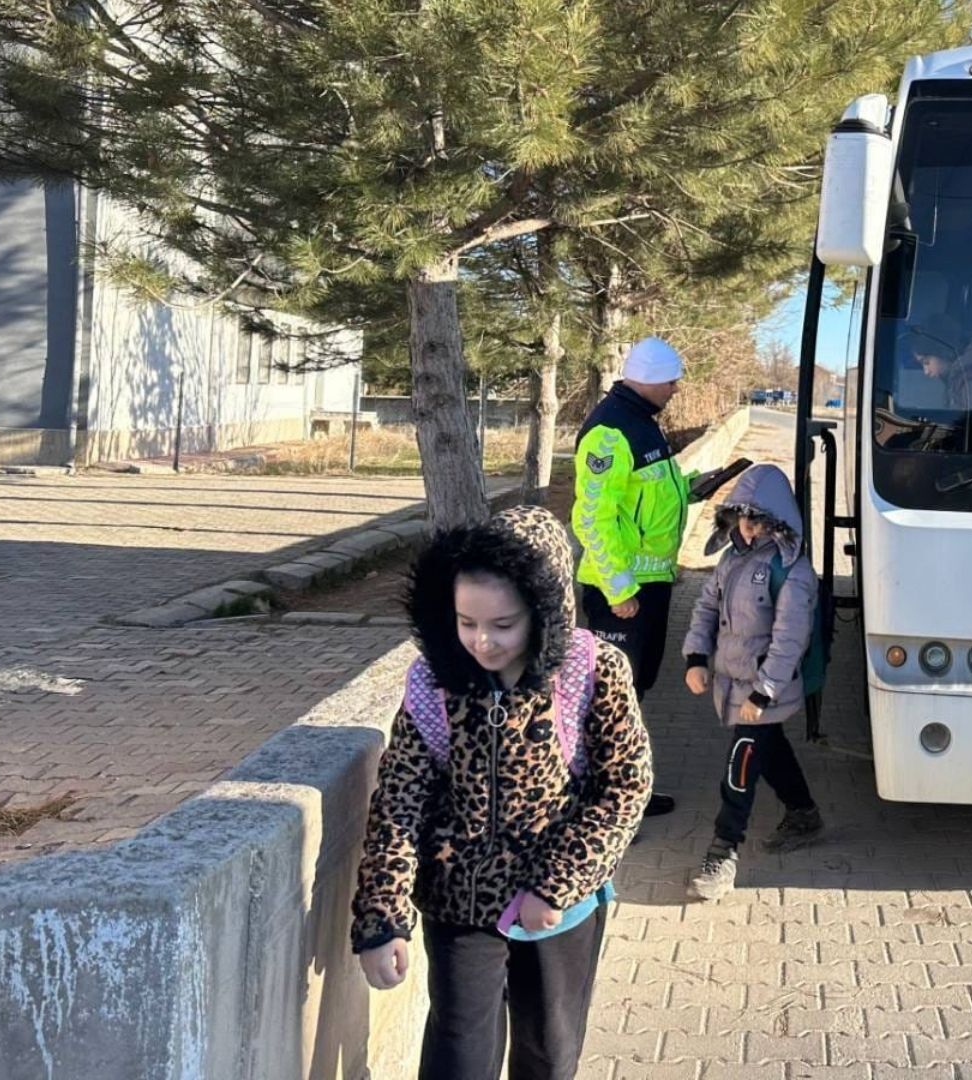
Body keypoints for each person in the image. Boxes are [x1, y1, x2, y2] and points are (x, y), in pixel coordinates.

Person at [352, 504, 653, 1080]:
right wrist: (382, 918)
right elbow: (398, 803)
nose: (483, 642)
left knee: (548, 1051)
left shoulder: (594, 671)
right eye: (467, 623)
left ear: (546, 609)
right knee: (459, 1054)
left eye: (503, 625)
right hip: (459, 903)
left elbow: (625, 787)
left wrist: (556, 886)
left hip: (559, 910)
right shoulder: (434, 681)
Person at [572, 336, 717, 819]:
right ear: (651, 379)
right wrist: (619, 591)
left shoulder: (642, 425)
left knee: (635, 691)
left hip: (647, 587)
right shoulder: (610, 431)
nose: (676, 389)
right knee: (612, 696)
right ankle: (602, 800)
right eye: (672, 381)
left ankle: (623, 788)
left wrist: (692, 492)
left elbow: (647, 498)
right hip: (622, 593)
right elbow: (593, 518)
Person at [681, 465, 825, 901]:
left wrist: (764, 692)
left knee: (742, 761)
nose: (749, 526)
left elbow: (789, 640)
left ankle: (723, 850)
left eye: (760, 518)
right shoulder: (731, 560)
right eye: (743, 516)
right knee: (770, 749)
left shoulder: (793, 573)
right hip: (733, 684)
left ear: (780, 520)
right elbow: (706, 608)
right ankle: (803, 812)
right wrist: (694, 657)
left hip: (764, 690)